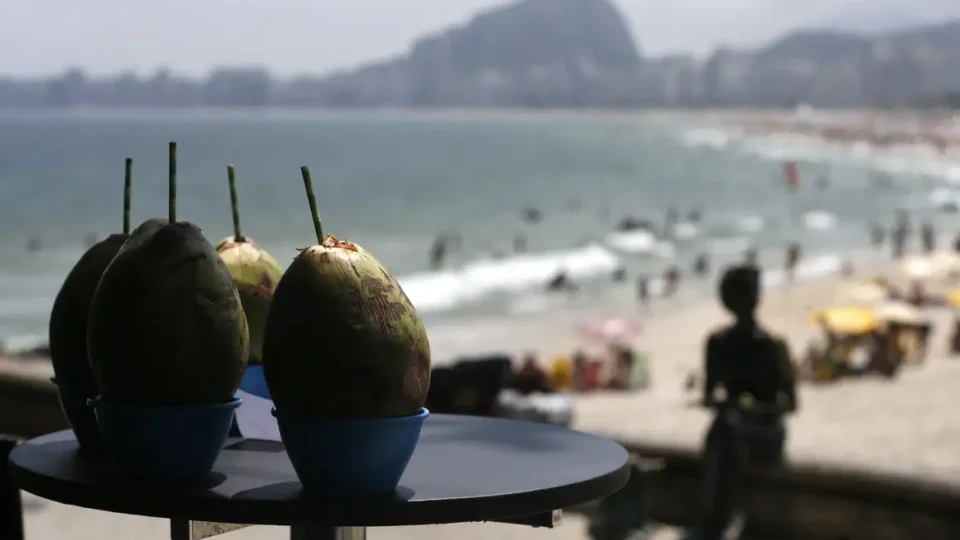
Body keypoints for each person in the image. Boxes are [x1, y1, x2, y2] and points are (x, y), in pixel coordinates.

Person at [688, 265, 798, 539]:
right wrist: (730, 406)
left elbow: (791, 404)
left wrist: (754, 409)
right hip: (733, 428)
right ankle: (720, 520)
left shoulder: (772, 346)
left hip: (765, 431)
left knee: (726, 431)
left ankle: (713, 521)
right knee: (727, 429)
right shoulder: (717, 343)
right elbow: (710, 397)